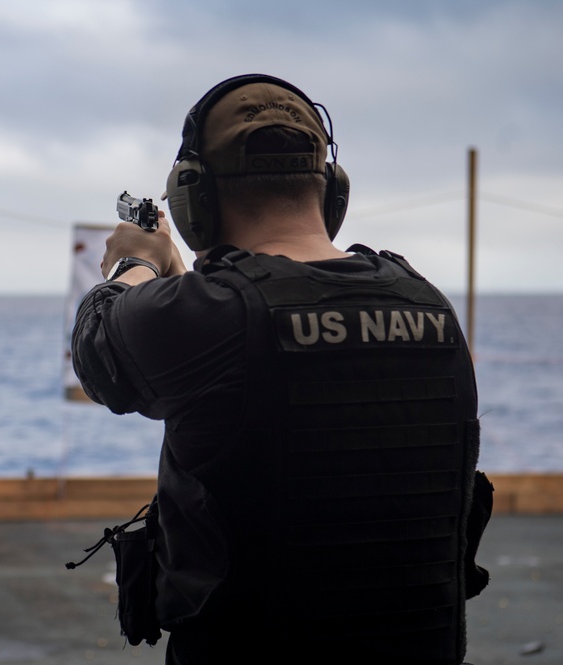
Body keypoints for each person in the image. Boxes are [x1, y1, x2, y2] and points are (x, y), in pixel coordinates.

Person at [71, 74, 492, 664]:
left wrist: (142, 260)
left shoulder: (210, 316)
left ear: (195, 199)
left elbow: (98, 348)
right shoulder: (429, 304)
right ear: (331, 190)